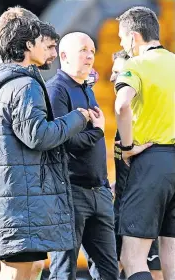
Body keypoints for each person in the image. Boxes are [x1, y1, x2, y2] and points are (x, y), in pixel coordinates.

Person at [0, 18, 92, 280]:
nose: (49, 49)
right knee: (17, 272)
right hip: (21, 198)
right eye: (43, 42)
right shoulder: (25, 85)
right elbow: (38, 136)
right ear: (28, 45)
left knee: (6, 268)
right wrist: (76, 118)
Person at [0, 7, 50, 280]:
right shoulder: (18, 81)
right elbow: (36, 135)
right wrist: (73, 122)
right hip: (15, 191)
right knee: (14, 267)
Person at [47, 32, 119, 280]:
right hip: (71, 192)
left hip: (99, 192)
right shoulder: (56, 90)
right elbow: (62, 141)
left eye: (92, 50)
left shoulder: (87, 89)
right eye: (83, 50)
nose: (90, 55)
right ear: (63, 56)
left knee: (109, 271)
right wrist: (98, 132)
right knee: (64, 271)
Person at [115, 6, 175, 280]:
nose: (121, 45)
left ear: (133, 38)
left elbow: (122, 105)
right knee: (171, 255)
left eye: (121, 39)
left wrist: (127, 147)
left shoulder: (135, 64)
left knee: (133, 257)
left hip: (151, 160)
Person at [111, 50, 163, 280]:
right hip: (123, 206)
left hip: (144, 208)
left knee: (149, 266)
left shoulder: (144, 124)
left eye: (118, 72)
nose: (113, 78)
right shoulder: (127, 122)